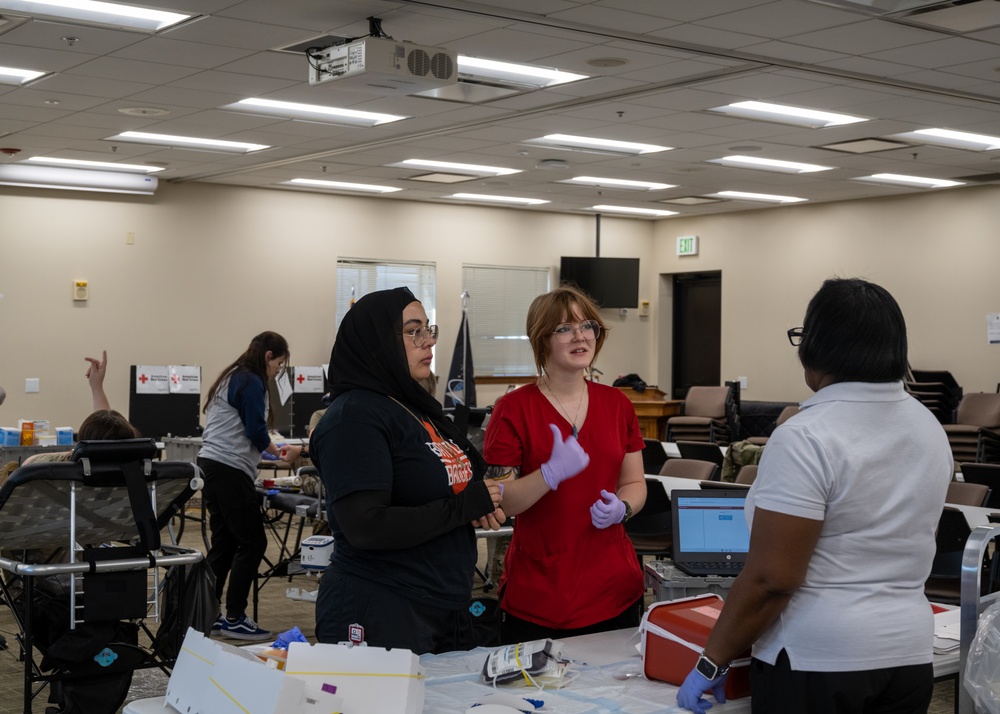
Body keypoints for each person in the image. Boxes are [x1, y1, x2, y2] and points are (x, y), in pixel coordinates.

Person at [676, 278, 953, 714]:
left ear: (819, 347)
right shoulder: (929, 428)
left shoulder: (806, 436)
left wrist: (712, 661)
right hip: (908, 655)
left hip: (818, 661)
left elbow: (772, 579)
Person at [310, 286, 504, 654]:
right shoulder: (355, 418)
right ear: (377, 341)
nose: (428, 341)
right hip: (382, 606)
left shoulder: (413, 408)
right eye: (413, 331)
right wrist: (465, 506)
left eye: (429, 329)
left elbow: (444, 489)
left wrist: (483, 500)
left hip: (440, 601)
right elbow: (368, 527)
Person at [482, 284, 647, 643]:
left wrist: (623, 508)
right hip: (540, 594)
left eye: (587, 325)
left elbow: (635, 484)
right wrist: (550, 473)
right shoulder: (513, 409)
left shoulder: (618, 404)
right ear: (542, 340)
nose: (580, 336)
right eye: (564, 328)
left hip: (614, 589)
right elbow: (501, 501)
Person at [197, 331, 299, 642]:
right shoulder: (252, 380)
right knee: (253, 542)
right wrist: (279, 453)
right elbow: (256, 430)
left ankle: (208, 614)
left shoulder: (232, 375)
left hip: (210, 466)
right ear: (269, 356)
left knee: (225, 544)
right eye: (279, 365)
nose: (277, 371)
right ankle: (235, 617)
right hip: (228, 469)